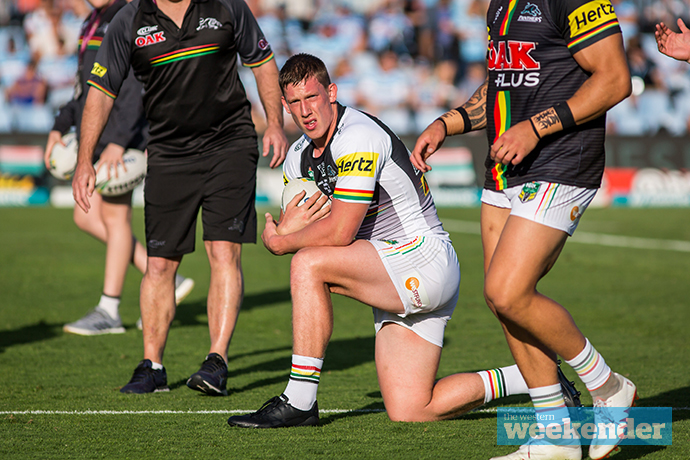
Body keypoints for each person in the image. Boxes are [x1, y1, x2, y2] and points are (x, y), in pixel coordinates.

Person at [226, 53, 581, 429]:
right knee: (411, 408)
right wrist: (284, 232)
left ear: (331, 92)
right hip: (389, 268)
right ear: (284, 106)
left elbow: (339, 232)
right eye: (295, 103)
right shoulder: (298, 158)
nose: (306, 110)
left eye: (312, 97)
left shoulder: (359, 135)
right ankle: (538, 377)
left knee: (308, 264)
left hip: (422, 258)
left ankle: (299, 400)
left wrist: (284, 241)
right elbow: (300, 223)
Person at [411, 1, 636, 459]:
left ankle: (607, 386)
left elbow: (615, 79)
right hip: (504, 168)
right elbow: (504, 83)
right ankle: (556, 434)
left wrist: (534, 128)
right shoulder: (501, 5)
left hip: (561, 163)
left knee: (508, 290)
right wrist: (447, 122)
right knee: (503, 303)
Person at [72, 0, 288, 395]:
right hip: (169, 153)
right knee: (159, 264)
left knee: (224, 252)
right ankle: (152, 366)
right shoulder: (129, 20)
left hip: (231, 144)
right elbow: (101, 92)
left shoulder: (226, 6)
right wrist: (85, 159)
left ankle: (216, 362)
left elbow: (262, 62)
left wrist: (275, 123)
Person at [44, 0, 195, 336]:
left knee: (115, 219)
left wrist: (118, 140)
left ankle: (109, 310)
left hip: (123, 138)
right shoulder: (92, 22)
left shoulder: (131, 17)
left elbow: (135, 87)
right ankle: (166, 277)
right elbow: (85, 90)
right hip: (98, 136)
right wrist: (60, 125)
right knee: (84, 216)